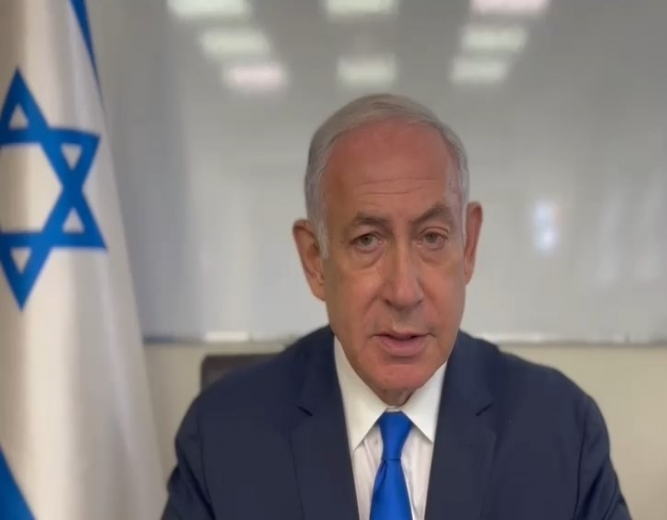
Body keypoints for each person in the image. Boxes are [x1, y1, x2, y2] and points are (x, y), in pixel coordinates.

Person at [162, 94, 631, 520]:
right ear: (315, 260)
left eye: (432, 238)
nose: (404, 292)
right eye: (368, 240)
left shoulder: (562, 430)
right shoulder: (222, 437)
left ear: (468, 247)